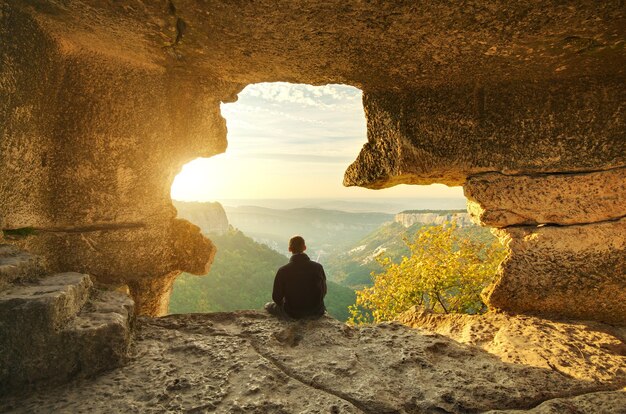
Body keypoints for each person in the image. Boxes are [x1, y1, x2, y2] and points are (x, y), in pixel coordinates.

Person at [265, 235, 327, 319]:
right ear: (304, 247)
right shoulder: (318, 267)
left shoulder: (283, 271)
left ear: (290, 249)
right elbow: (323, 291)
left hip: (292, 313)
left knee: (268, 306)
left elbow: (276, 298)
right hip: (316, 311)